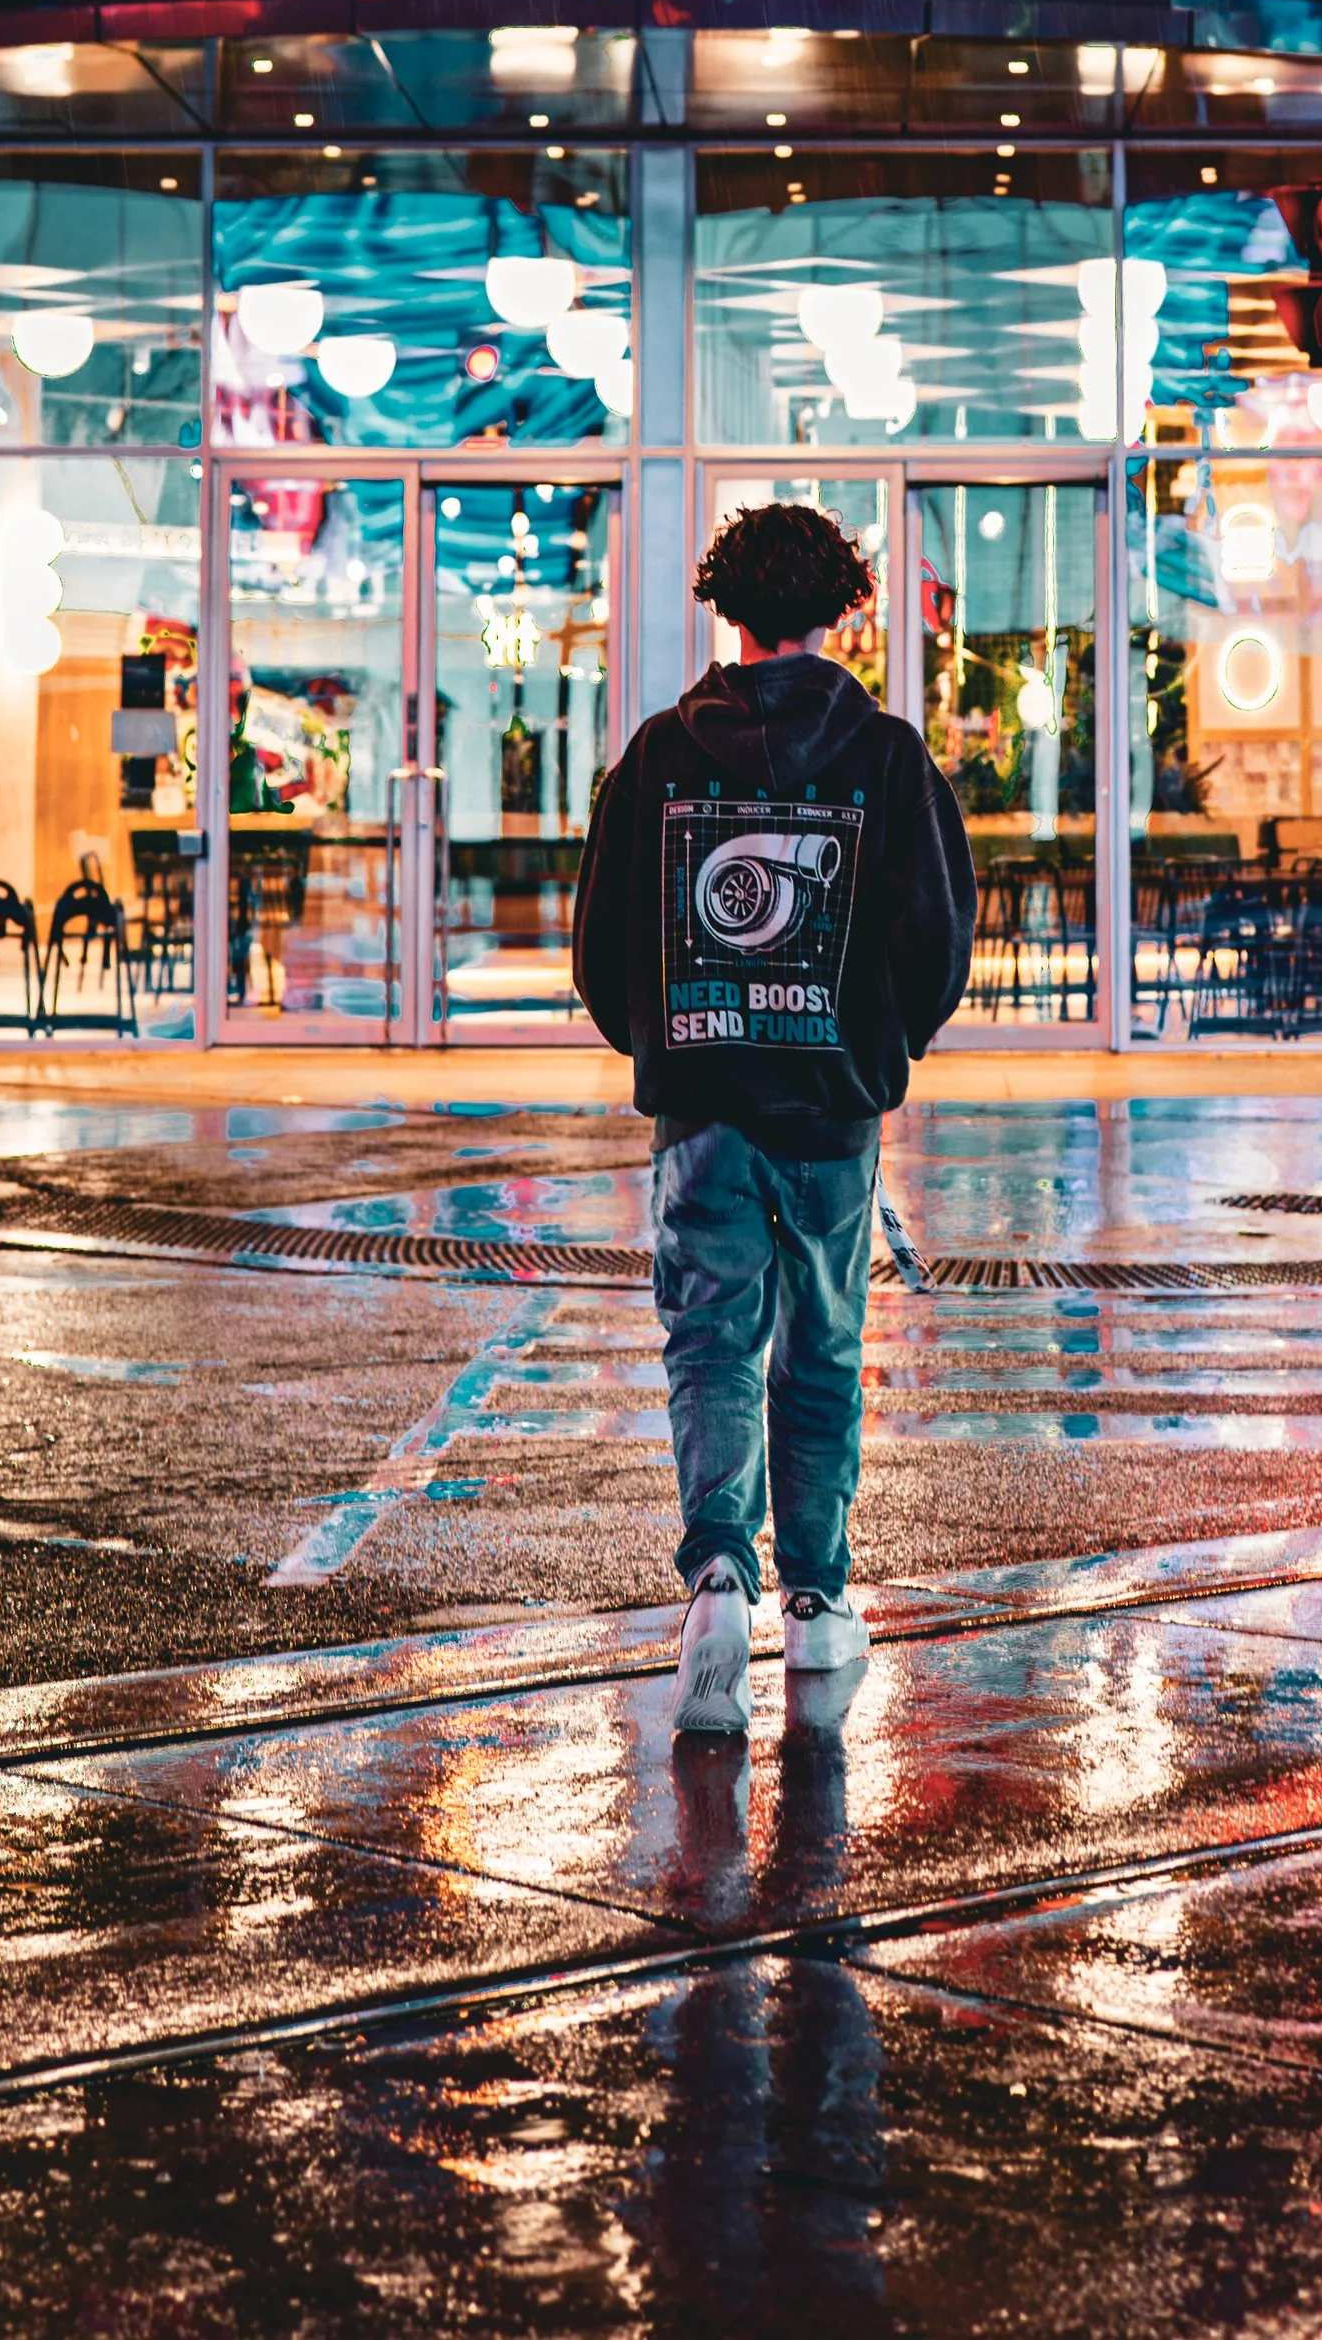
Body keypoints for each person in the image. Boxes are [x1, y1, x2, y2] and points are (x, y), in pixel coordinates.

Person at [571, 499, 976, 1739]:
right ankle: (814, 1605)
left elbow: (599, 945)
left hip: (701, 1104)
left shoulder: (654, 753)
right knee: (822, 1353)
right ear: (842, 606)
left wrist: (667, 1041)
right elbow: (938, 940)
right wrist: (874, 1046)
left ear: (726, 609)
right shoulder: (892, 756)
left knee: (709, 1346)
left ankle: (712, 1586)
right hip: (830, 1111)